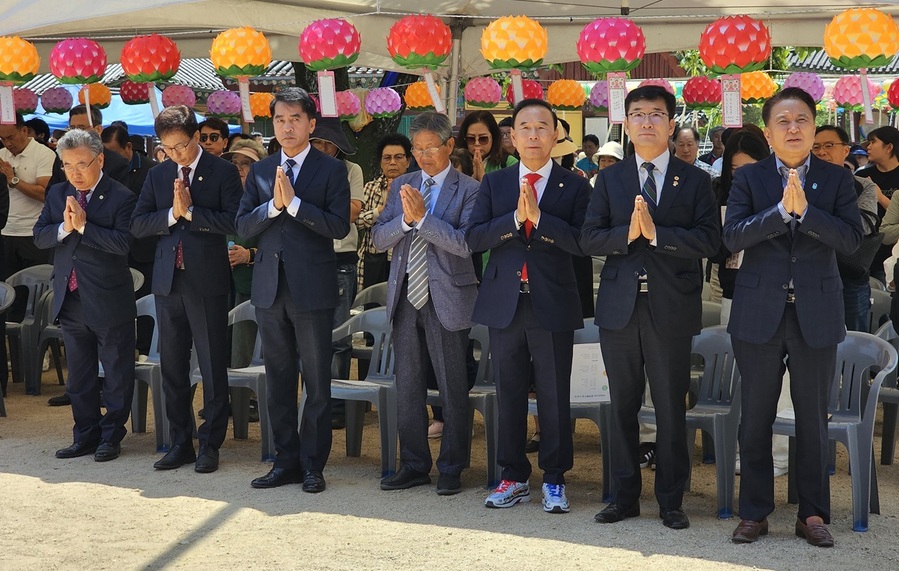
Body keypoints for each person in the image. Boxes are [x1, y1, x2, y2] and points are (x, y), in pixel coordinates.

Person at [723, 87, 863, 547]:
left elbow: (850, 240)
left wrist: (809, 212)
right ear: (768, 131)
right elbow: (733, 236)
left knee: (811, 419)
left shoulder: (837, 178)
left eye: (802, 119)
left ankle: (812, 514)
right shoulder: (749, 178)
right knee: (756, 417)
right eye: (783, 121)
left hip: (816, 313)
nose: (793, 128)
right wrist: (781, 211)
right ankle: (755, 512)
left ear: (813, 125)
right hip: (758, 313)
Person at [581, 85, 719, 530]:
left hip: (670, 309)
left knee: (668, 407)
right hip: (620, 308)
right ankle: (623, 495)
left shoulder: (695, 178)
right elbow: (589, 238)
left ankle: (671, 499)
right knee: (620, 404)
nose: (645, 122)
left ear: (671, 122)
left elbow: (710, 241)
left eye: (655, 114)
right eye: (637, 114)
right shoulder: (611, 178)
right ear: (626, 122)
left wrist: (657, 234)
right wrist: (629, 234)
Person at [467, 98, 592, 514]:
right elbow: (474, 238)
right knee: (509, 393)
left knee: (555, 394)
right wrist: (511, 222)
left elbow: (582, 243)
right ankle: (512, 475)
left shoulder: (573, 185)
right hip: (505, 302)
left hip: (552, 300)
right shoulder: (496, 183)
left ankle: (555, 478)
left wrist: (540, 220)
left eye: (543, 127)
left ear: (556, 135)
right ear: (513, 137)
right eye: (525, 127)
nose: (534, 135)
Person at [235, 88, 349, 493]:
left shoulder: (331, 170)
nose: (287, 126)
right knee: (279, 379)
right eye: (280, 120)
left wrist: (296, 205)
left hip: (312, 288)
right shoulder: (263, 170)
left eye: (295, 119)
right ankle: (284, 461)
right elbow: (243, 226)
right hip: (269, 289)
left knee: (317, 380)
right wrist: (273, 207)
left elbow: (339, 227)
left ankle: (313, 464)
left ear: (311, 124)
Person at [131, 105, 242, 474]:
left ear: (196, 136)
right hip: (167, 280)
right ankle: (181, 441)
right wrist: (172, 215)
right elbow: (139, 224)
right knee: (173, 365)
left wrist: (192, 213)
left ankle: (211, 442)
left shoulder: (222, 171)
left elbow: (234, 220)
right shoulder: (158, 174)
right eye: (167, 148)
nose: (175, 154)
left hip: (206, 279)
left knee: (211, 364)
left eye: (181, 145)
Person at [372, 112, 479, 496]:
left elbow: (466, 244)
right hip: (406, 296)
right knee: (409, 386)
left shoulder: (469, 189)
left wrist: (423, 220)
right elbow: (378, 239)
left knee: (453, 386)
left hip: (447, 296)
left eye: (430, 148)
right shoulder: (401, 183)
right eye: (416, 149)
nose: (422, 156)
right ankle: (414, 463)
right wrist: (404, 222)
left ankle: (452, 466)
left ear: (450, 146)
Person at [33, 129, 137, 461]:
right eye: (67, 165)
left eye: (82, 164)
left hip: (108, 298)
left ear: (100, 159)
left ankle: (111, 436)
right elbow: (40, 236)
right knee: (79, 375)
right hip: (72, 298)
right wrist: (64, 228)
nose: (75, 172)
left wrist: (84, 227)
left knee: (117, 373)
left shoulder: (121, 196)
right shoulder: (58, 193)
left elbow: (123, 244)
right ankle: (85, 434)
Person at [309, 115, 365, 428]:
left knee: (340, 337)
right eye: (318, 141)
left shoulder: (351, 169)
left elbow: (353, 212)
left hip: (342, 255)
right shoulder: (301, 168)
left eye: (329, 143)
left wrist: (312, 208)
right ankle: (315, 401)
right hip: (309, 257)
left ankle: (339, 407)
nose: (323, 147)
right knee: (310, 336)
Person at [0, 113, 56, 396]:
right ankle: (12, 358)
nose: (7, 143)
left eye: (11, 136)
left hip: (34, 235)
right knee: (8, 299)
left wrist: (12, 178)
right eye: (3, 138)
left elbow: (45, 193)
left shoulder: (44, 154)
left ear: (25, 130)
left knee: (36, 300)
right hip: (5, 232)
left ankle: (40, 352)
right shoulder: (0, 154)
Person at [813, 126, 880, 332]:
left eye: (829, 145)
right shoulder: (801, 185)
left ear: (845, 150)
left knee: (854, 337)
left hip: (850, 274)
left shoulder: (863, 185)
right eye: (815, 147)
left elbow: (863, 226)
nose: (822, 152)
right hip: (810, 273)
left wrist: (815, 220)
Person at [101, 123, 157, 362]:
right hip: (112, 249)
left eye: (113, 152)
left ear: (129, 147)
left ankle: (145, 350)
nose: (108, 158)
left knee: (144, 303)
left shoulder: (151, 171)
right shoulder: (104, 171)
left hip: (143, 248)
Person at [221, 139, 266, 369]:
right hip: (225, 287)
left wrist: (249, 255)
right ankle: (232, 401)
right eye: (235, 162)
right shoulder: (226, 200)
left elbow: (283, 247)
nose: (238, 167)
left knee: (247, 352)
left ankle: (249, 401)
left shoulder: (270, 201)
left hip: (257, 289)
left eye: (246, 163)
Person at [357, 133, 412, 292]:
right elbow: (356, 221)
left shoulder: (417, 188)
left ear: (408, 161)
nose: (393, 162)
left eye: (399, 157)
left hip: (405, 259)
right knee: (373, 307)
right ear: (381, 162)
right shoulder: (370, 188)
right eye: (387, 158)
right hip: (374, 258)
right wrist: (379, 211)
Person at [859, 126, 899, 284]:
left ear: (889, 147)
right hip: (864, 251)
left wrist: (880, 197)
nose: (868, 147)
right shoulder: (861, 175)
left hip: (892, 251)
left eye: (872, 142)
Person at [458, 110, 517, 182]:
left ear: (493, 137)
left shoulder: (509, 163)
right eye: (471, 139)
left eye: (483, 139)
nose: (477, 143)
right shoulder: (456, 162)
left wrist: (483, 180)